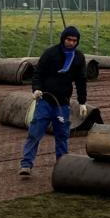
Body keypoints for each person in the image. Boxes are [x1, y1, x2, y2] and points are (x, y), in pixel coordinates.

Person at [19, 26, 89, 176]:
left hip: (62, 104)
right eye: (68, 39)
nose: (71, 43)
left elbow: (81, 81)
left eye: (74, 41)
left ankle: (61, 166)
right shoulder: (50, 54)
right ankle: (26, 164)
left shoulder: (78, 58)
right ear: (63, 39)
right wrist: (36, 89)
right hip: (45, 101)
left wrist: (82, 102)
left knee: (62, 135)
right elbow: (38, 73)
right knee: (35, 132)